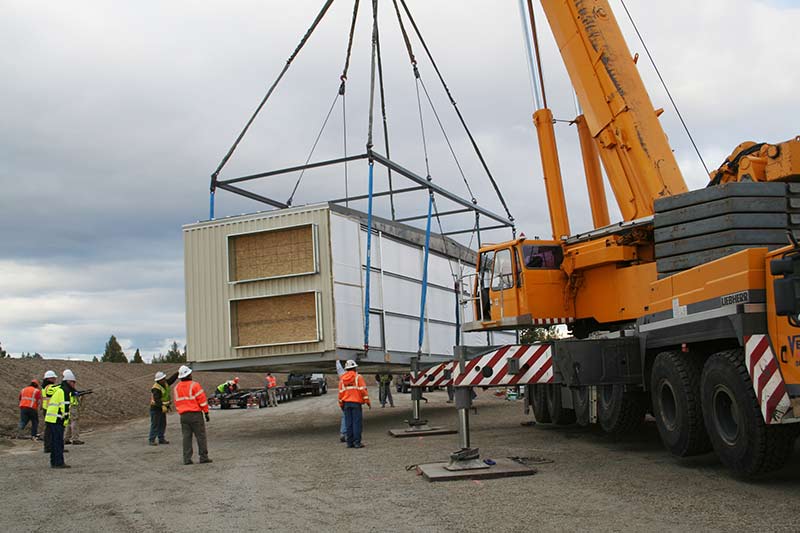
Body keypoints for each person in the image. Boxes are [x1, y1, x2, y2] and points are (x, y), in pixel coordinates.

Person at [174, 365, 212, 465]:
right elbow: (202, 400)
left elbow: (177, 402)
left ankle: (187, 459)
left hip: (183, 416)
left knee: (186, 437)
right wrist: (206, 412)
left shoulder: (176, 388)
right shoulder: (195, 385)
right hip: (195, 414)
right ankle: (203, 457)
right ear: (189, 375)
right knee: (200, 436)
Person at [45, 369, 77, 468]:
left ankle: (54, 462)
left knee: (55, 442)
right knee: (58, 443)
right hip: (57, 420)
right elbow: (65, 408)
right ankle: (58, 462)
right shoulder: (64, 391)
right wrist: (65, 422)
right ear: (69, 381)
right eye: (73, 382)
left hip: (51, 419)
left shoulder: (60, 389)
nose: (74, 384)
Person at [338, 360, 370, 449]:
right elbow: (363, 390)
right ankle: (357, 443)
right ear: (355, 368)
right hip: (356, 403)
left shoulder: (342, 379)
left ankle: (349, 443)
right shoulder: (358, 377)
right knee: (357, 423)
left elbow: (340, 393)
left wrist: (341, 404)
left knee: (348, 424)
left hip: (346, 404)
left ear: (346, 369)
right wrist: (367, 402)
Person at [149, 370, 179, 446]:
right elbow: (156, 399)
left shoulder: (165, 383)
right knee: (155, 424)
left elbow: (171, 380)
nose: (165, 380)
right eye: (163, 379)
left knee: (162, 424)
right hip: (156, 408)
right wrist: (162, 405)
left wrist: (177, 373)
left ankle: (161, 439)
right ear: (159, 380)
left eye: (164, 378)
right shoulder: (156, 388)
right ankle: (151, 439)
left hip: (162, 408)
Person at [64, 380, 90, 446]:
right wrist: (83, 393)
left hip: (69, 407)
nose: (74, 384)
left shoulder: (66, 389)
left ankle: (66, 438)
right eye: (73, 382)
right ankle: (75, 439)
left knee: (69, 423)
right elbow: (75, 393)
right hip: (73, 407)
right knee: (74, 422)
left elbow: (76, 393)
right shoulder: (70, 390)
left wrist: (84, 392)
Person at [41, 370, 59, 453]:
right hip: (50, 410)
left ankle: (49, 446)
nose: (55, 379)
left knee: (49, 429)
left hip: (46, 409)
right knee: (51, 429)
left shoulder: (44, 387)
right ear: (49, 379)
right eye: (54, 378)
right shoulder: (50, 387)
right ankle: (49, 447)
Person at [335, 359, 346, 442]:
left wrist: (337, 361)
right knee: (354, 418)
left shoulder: (342, 377)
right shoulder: (356, 377)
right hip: (354, 401)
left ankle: (343, 433)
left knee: (345, 416)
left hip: (344, 401)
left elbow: (339, 369)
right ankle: (349, 435)